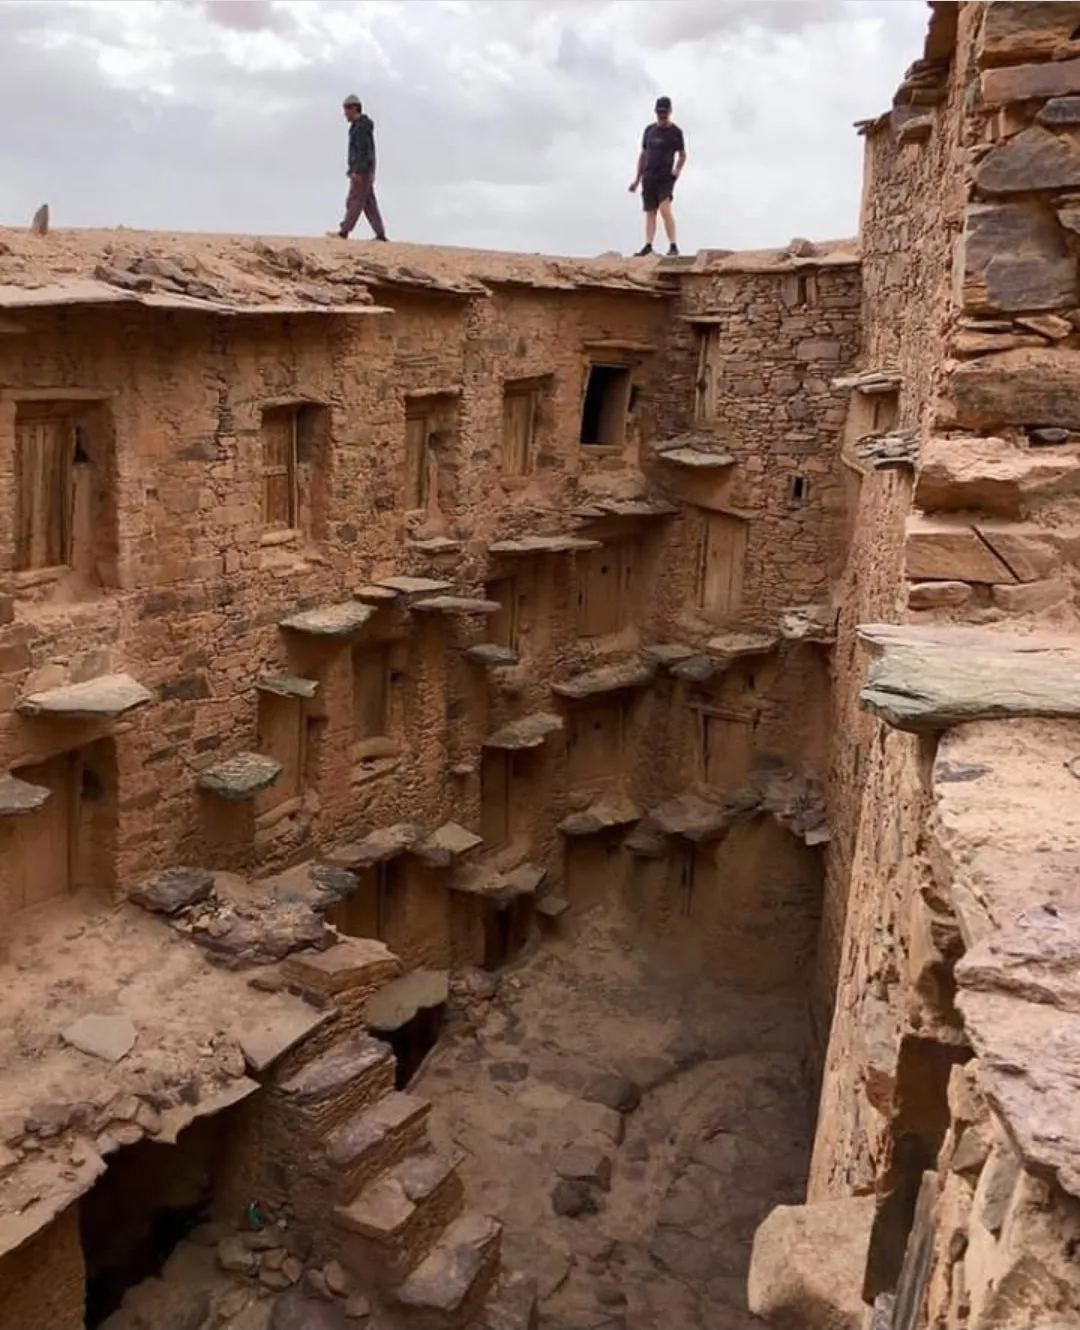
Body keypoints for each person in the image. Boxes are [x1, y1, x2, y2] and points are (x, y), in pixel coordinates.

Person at [628, 96, 686, 257]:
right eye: (659, 112)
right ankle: (648, 245)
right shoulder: (649, 130)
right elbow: (643, 154)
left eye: (664, 112)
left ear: (670, 112)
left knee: (664, 209)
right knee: (650, 211)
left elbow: (682, 155)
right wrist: (637, 180)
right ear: (655, 112)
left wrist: (677, 169)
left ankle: (673, 245)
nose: (662, 115)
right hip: (649, 175)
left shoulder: (676, 132)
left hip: (665, 176)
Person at [333, 94, 388, 242]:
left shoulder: (361, 127)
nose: (344, 114)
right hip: (363, 170)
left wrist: (357, 170)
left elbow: (364, 151)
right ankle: (380, 234)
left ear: (354, 108)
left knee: (355, 200)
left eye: (346, 109)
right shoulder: (358, 127)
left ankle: (344, 231)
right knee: (368, 202)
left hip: (362, 171)